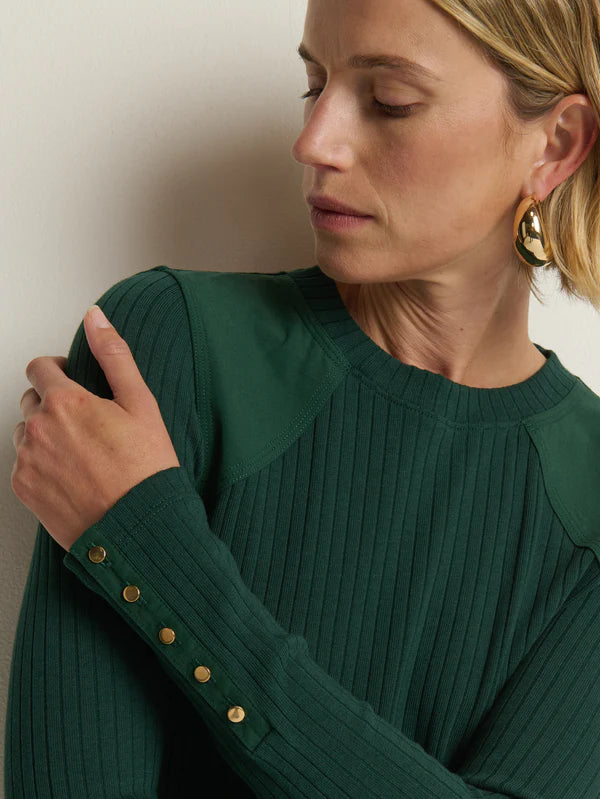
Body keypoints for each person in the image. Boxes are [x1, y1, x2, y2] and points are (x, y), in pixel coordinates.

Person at [6, 0, 600, 795]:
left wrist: (145, 544)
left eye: (389, 100)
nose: (314, 141)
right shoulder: (164, 348)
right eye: (313, 84)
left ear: (555, 144)